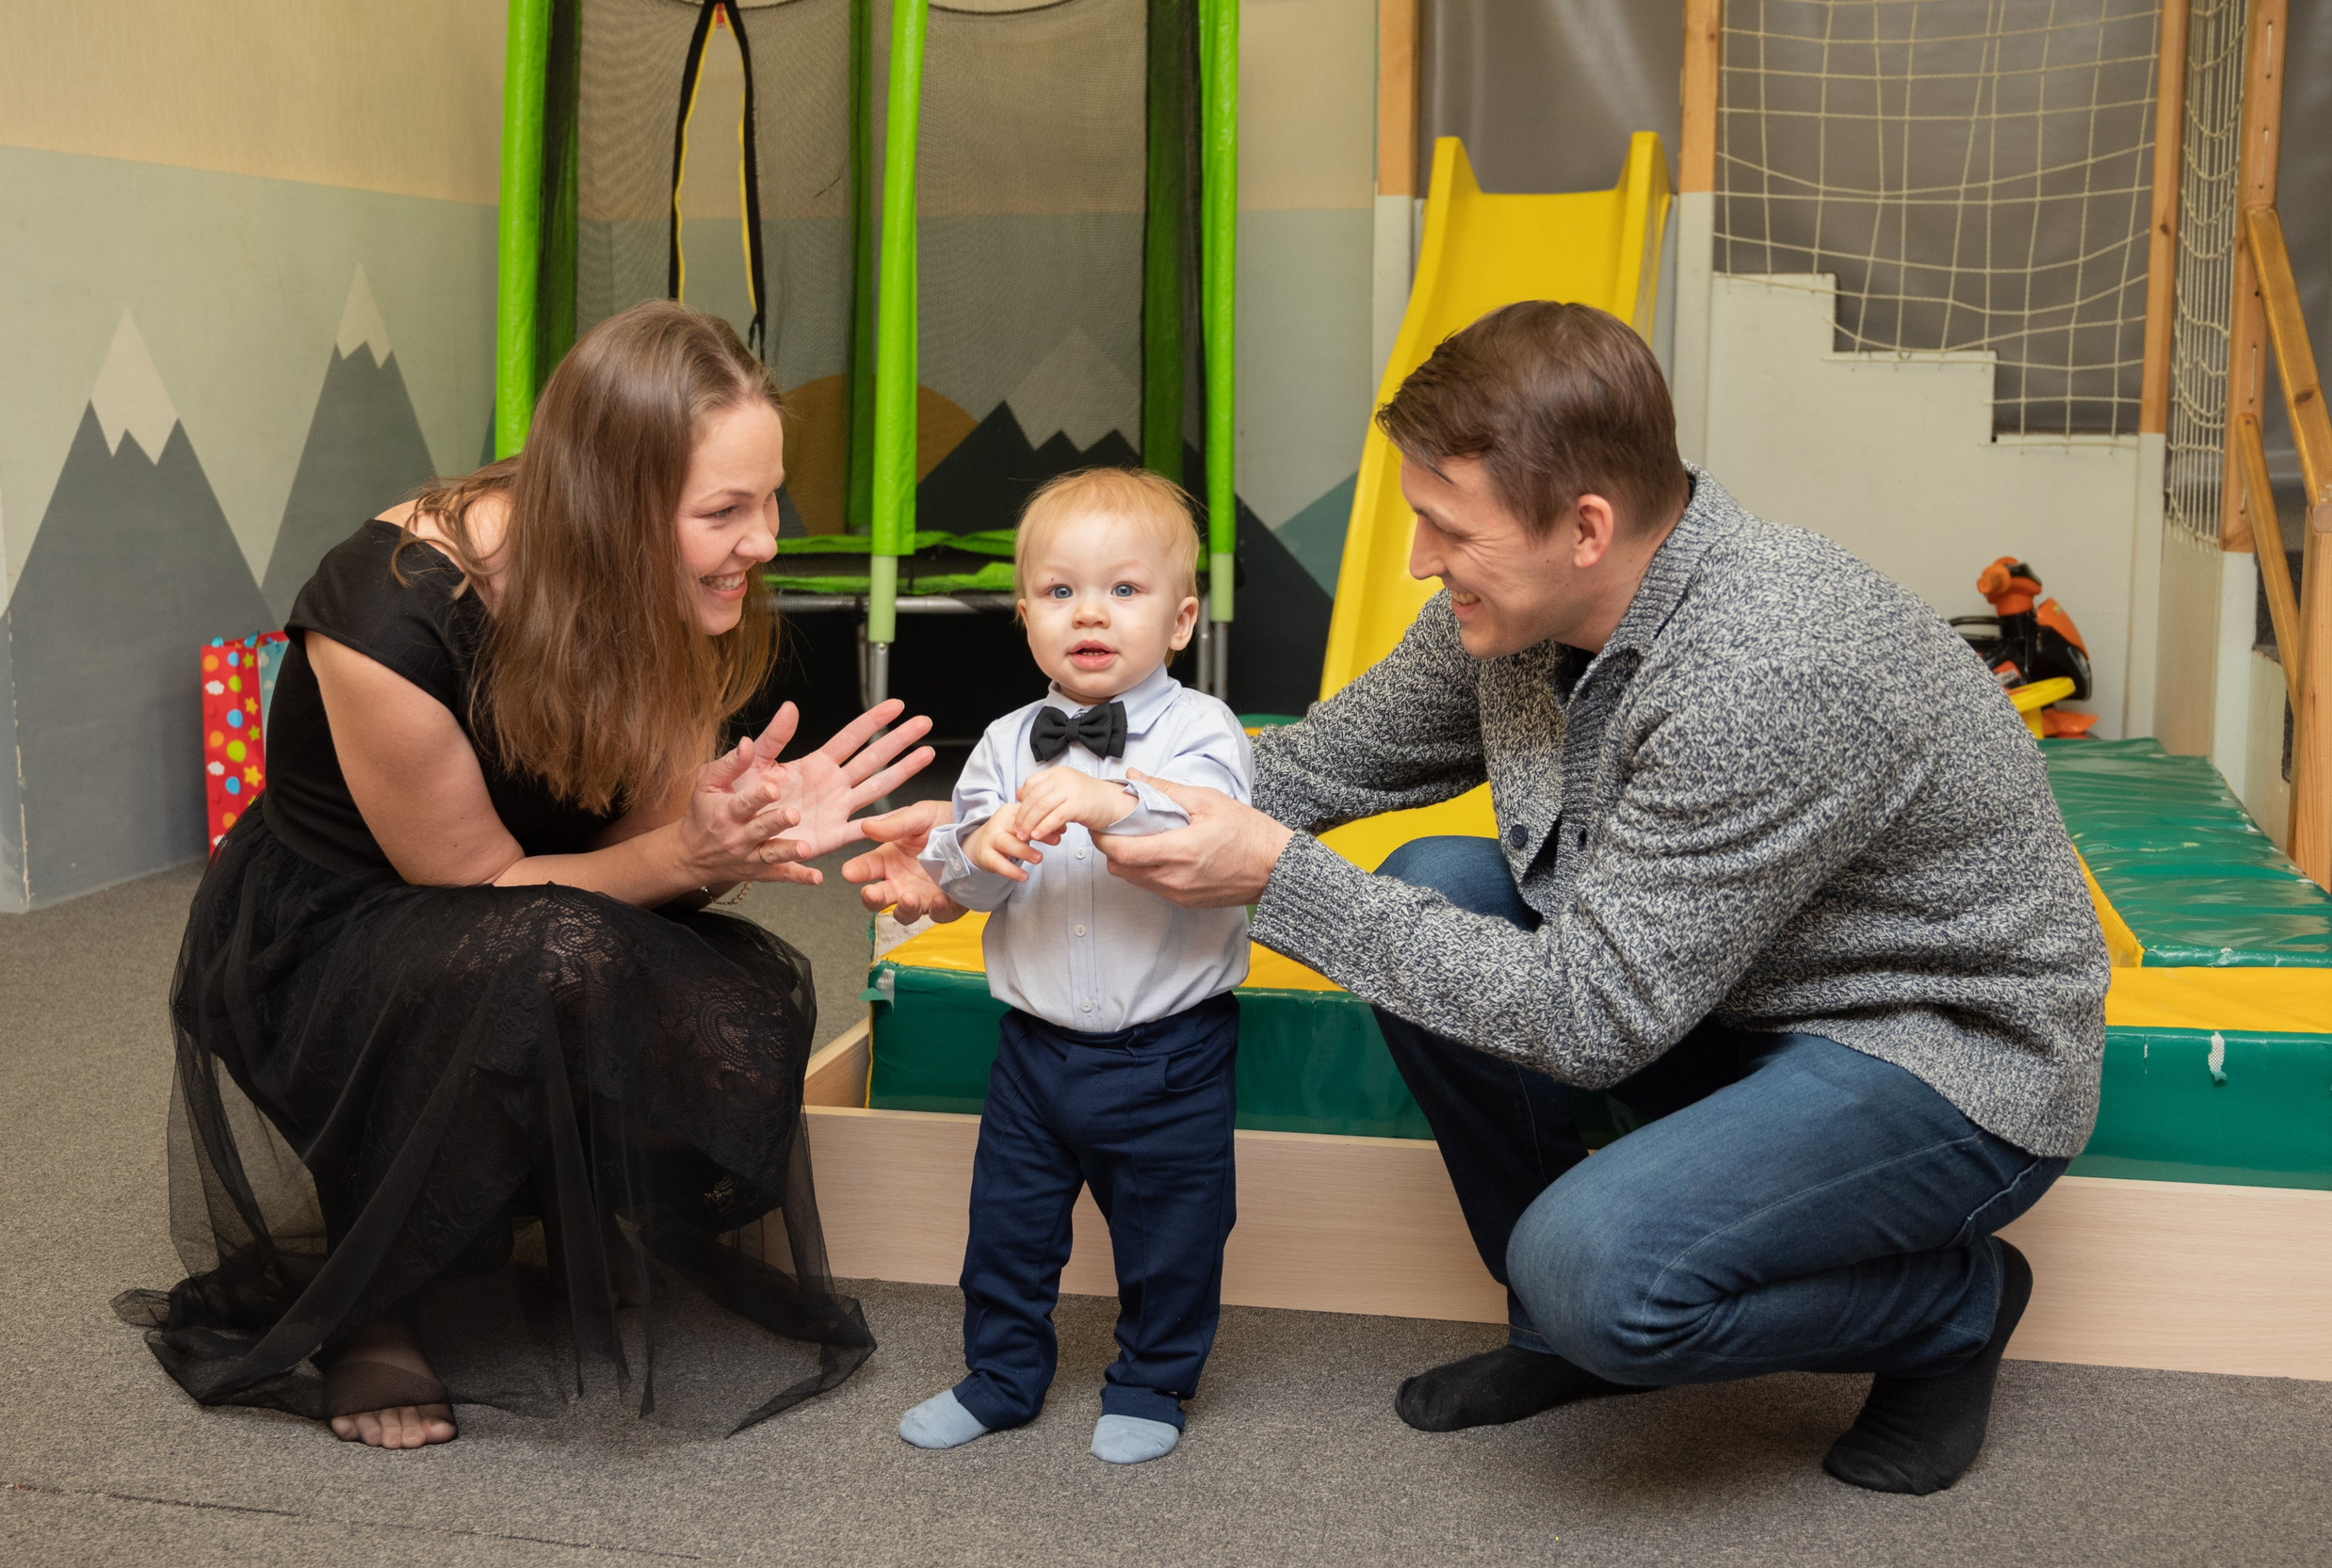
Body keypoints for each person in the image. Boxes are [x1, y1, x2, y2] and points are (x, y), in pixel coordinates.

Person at [845, 301, 2110, 1495]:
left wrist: (1276, 880)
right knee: (1435, 880)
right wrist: (1014, 817)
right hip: (1727, 992)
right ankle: (1555, 1331)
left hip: (1932, 1052)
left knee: (1600, 1275)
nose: (1414, 557)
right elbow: (1305, 770)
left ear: (1588, 528)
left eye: (1448, 526)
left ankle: (1950, 1308)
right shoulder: (1514, 615)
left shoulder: (1764, 673)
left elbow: (1593, 1020)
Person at [117, 301, 934, 1448]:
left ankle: (521, 1186)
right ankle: (375, 1299)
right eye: (724, 511)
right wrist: (687, 852)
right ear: (611, 509)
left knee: (721, 1006)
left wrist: (732, 820)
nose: (763, 540)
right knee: (559, 953)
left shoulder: (674, 583)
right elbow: (477, 885)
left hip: (547, 898)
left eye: (769, 499)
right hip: (354, 930)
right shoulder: (384, 613)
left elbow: (647, 830)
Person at [895, 469, 1252, 1467]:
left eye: (1123, 590)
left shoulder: (1200, 730)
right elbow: (961, 884)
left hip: (1169, 1051)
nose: (1089, 611)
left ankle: (1151, 1377)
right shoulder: (1006, 743)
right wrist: (974, 854)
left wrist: (1113, 799)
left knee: (1171, 1235)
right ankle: (1000, 1376)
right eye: (1059, 591)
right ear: (1024, 615)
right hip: (1034, 1050)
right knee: (1005, 1230)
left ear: (1180, 619)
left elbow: (1209, 833)